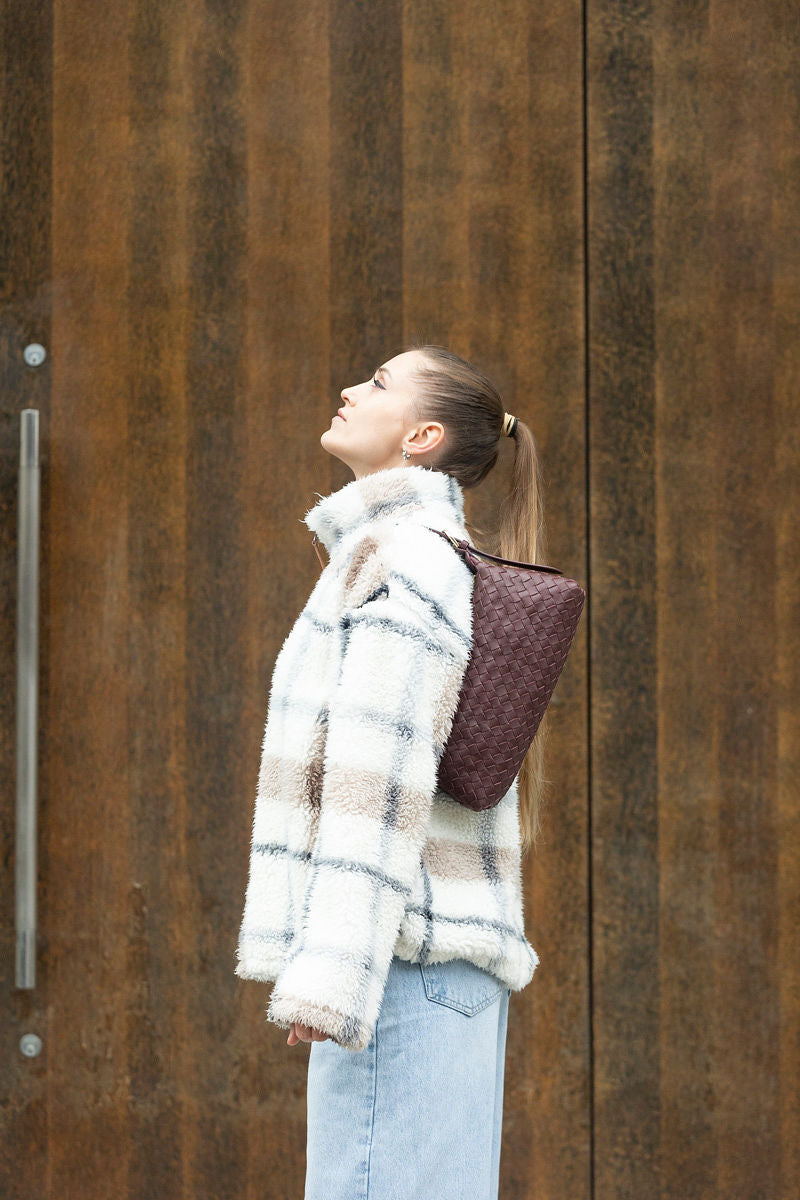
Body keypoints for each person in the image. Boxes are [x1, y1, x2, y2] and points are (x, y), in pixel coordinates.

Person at [234, 344, 550, 1199]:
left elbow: (377, 783)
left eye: (376, 383)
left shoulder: (403, 561)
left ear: (422, 435)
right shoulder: (415, 555)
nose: (348, 388)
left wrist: (331, 977)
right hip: (424, 965)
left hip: (397, 969)